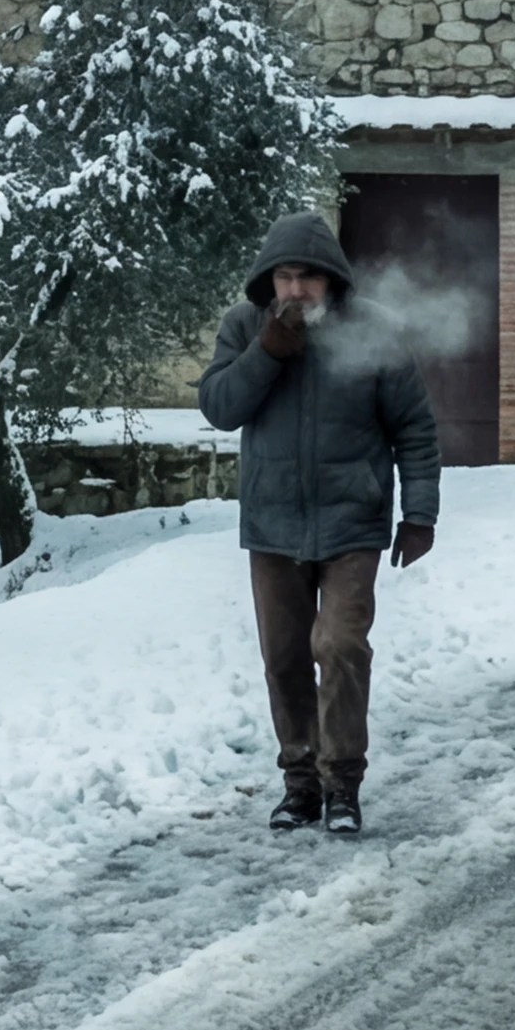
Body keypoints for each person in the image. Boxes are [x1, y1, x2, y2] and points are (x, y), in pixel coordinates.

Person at [192, 210, 441, 833]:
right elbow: (220, 408)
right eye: (284, 277)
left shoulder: (374, 332)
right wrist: (265, 355)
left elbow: (414, 427)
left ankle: (342, 784)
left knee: (340, 646)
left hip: (352, 522)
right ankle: (300, 784)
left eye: (308, 278)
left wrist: (420, 514)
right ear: (268, 281)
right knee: (283, 658)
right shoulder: (243, 327)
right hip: (273, 526)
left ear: (331, 279)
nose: (296, 291)